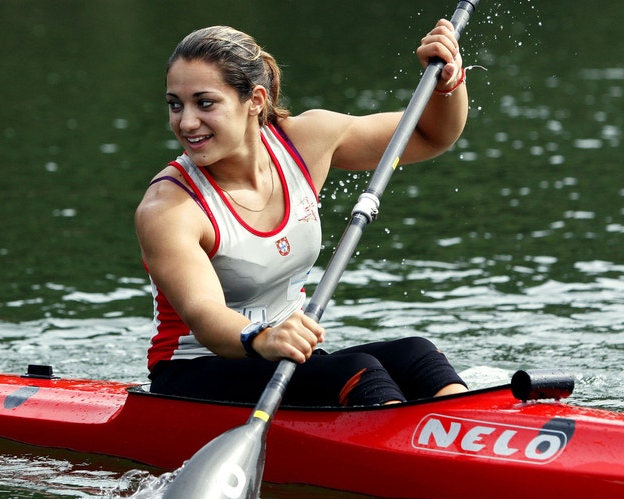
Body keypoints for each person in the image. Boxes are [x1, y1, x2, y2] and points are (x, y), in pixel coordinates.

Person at [135, 21, 470, 407]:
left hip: (285, 357)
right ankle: (413, 452)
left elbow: (430, 135)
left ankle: (474, 436)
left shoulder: (305, 142)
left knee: (418, 355)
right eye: (175, 104)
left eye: (204, 103)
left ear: (256, 100)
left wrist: (448, 81)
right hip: (195, 372)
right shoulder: (169, 207)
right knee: (358, 371)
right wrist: (263, 337)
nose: (186, 122)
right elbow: (204, 314)